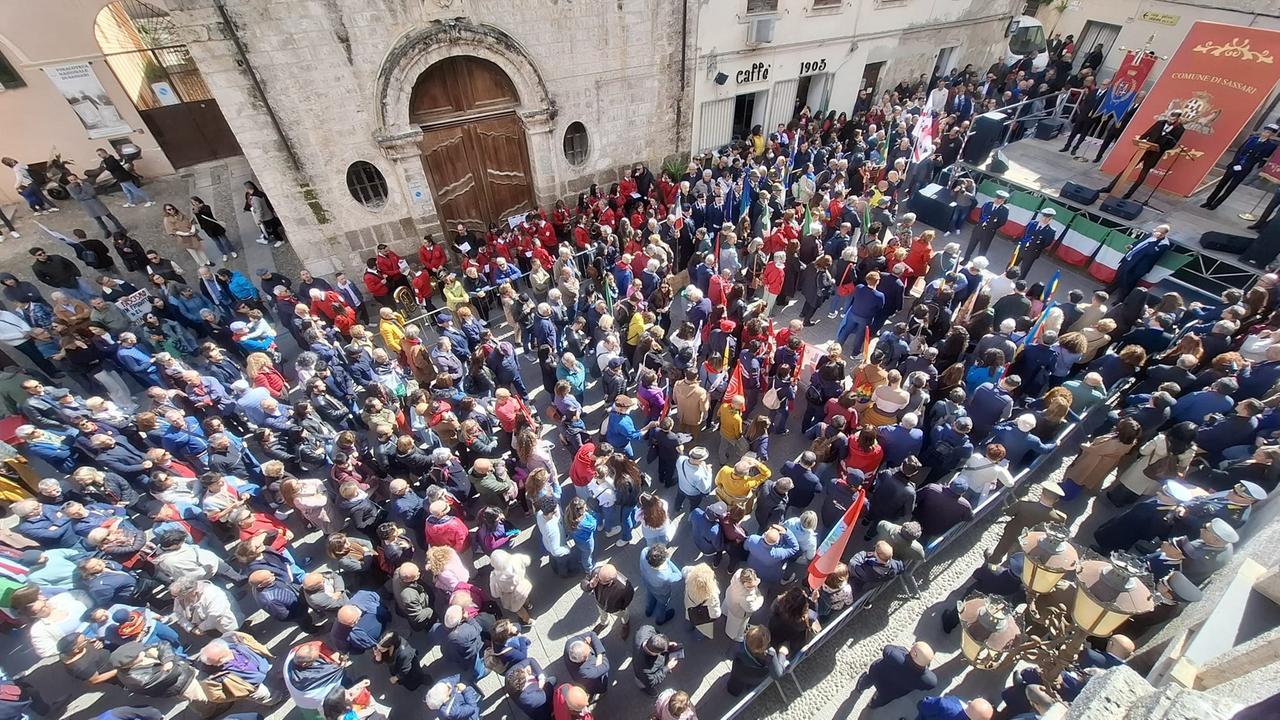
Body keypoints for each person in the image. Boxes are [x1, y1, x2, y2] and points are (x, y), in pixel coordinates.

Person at [1100, 110, 1185, 199]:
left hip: (1156, 153)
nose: (1170, 120)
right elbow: (1148, 132)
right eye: (1169, 118)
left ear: (1177, 118)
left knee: (1144, 172)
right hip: (1144, 149)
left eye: (1173, 119)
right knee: (1128, 168)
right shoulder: (1160, 123)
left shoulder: (1180, 129)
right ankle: (1110, 187)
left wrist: (1160, 147)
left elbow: (1172, 144)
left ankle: (1129, 194)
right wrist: (1141, 139)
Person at [852, 641, 938, 709]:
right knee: (881, 699)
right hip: (891, 692)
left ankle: (860, 688)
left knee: (867, 680)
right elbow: (932, 682)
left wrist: (905, 650)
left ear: (914, 654)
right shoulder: (928, 681)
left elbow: (887, 648)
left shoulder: (894, 656)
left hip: (878, 674)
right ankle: (872, 704)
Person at [1105, 225, 1173, 304]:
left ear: (1163, 234)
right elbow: (1141, 242)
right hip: (1129, 259)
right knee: (1118, 276)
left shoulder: (1164, 244)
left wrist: (1155, 239)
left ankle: (1121, 300)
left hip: (1138, 267)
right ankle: (1107, 291)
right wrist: (1132, 246)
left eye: (1157, 231)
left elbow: (1151, 252)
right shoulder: (1150, 235)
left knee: (1127, 283)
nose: (1154, 231)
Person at [582, 562, 635, 639]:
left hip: (615, 608)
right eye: (599, 578)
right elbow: (583, 583)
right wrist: (590, 585)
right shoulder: (596, 572)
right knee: (602, 614)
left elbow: (628, 599)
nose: (599, 581)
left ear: (611, 581)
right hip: (600, 603)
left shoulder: (625, 587)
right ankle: (604, 622)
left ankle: (625, 623)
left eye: (602, 581)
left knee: (624, 615)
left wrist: (620, 607)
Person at [65, 174, 126, 238]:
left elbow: (92, 193)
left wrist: (82, 185)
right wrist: (87, 195)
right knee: (98, 219)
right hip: (87, 205)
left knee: (109, 215)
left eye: (75, 179)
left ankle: (120, 227)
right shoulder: (69, 187)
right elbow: (77, 197)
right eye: (71, 180)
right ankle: (106, 230)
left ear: (77, 178)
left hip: (95, 203)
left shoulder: (86, 184)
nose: (74, 181)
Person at [632, 625, 683, 696]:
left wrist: (667, 644)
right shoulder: (645, 668)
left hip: (639, 655)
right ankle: (646, 689)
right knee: (643, 684)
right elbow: (652, 681)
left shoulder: (646, 629)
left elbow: (657, 635)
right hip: (643, 678)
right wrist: (667, 667)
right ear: (655, 653)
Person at [563, 631, 610, 698]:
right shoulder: (586, 672)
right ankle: (601, 693)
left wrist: (586, 643)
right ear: (583, 660)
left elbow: (592, 634)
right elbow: (605, 665)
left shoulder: (570, 643)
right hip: (592, 684)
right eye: (588, 653)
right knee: (602, 686)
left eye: (587, 645)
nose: (590, 649)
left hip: (582, 679)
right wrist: (600, 654)